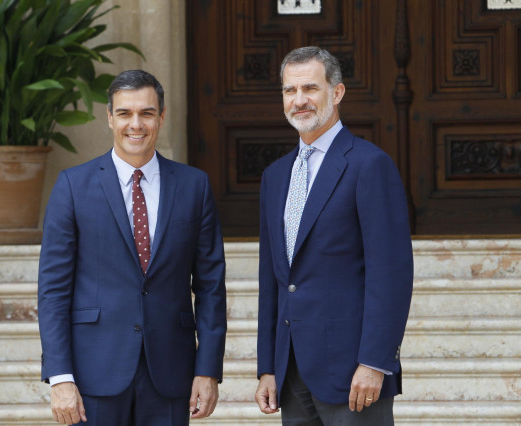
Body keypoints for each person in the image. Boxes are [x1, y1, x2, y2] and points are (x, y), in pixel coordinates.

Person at [38, 70, 227, 426]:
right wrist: (61, 377)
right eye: (124, 113)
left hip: (171, 373)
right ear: (109, 117)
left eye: (147, 113)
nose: (135, 124)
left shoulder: (194, 186)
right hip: (94, 373)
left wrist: (208, 370)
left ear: (162, 115)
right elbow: (53, 291)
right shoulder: (73, 186)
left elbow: (211, 288)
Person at [254, 46, 413, 425]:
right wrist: (267, 367)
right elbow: (273, 280)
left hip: (353, 373)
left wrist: (375, 362)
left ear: (337, 93)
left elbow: (390, 275)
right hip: (291, 372)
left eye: (310, 88)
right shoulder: (275, 176)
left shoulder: (369, 165)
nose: (299, 100)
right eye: (290, 91)